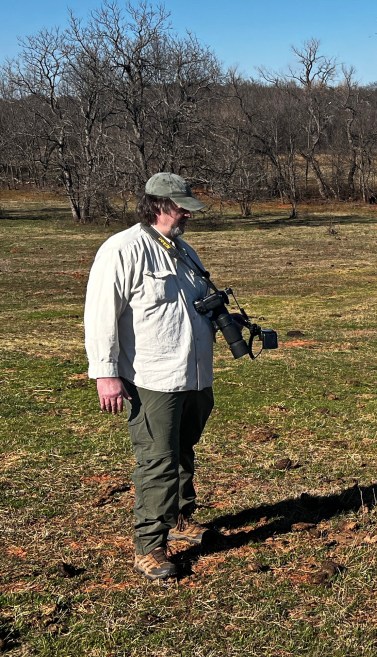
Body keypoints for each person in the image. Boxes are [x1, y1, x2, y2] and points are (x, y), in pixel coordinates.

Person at [84, 172, 216, 580]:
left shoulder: (183, 250)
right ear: (158, 205)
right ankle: (149, 546)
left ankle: (180, 519)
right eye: (180, 209)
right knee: (157, 460)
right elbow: (101, 315)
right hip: (153, 377)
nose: (185, 217)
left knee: (183, 449)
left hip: (193, 375)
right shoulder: (122, 249)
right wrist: (106, 374)